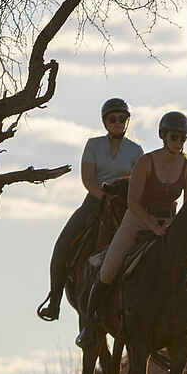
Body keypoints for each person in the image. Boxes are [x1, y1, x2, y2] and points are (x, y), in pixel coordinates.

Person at [78, 110, 187, 354]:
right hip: (137, 219)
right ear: (162, 136)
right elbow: (133, 202)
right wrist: (152, 225)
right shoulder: (146, 163)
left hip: (169, 223)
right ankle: (90, 326)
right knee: (107, 269)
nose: (178, 142)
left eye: (182, 138)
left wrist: (172, 226)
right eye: (173, 137)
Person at [37, 96, 141, 322]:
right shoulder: (93, 145)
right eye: (112, 119)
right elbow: (88, 179)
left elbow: (140, 183)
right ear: (105, 122)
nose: (117, 122)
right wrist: (103, 197)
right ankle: (54, 302)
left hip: (127, 205)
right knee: (62, 245)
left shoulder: (136, 150)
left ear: (126, 121)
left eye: (122, 119)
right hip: (96, 201)